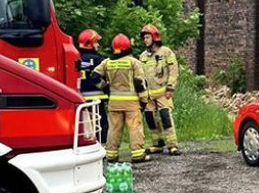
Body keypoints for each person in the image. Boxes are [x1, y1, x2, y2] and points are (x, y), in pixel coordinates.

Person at [93, 34, 150, 163]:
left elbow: (94, 76)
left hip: (114, 103)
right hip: (132, 104)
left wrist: (106, 88)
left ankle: (111, 154)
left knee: (114, 128)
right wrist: (144, 100)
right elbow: (139, 83)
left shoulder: (107, 62)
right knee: (135, 128)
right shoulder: (133, 62)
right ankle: (138, 154)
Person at [139, 24, 181, 156]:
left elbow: (174, 71)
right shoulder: (143, 56)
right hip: (149, 95)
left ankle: (172, 145)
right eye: (144, 38)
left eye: (147, 37)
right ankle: (157, 144)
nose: (145, 40)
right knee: (150, 118)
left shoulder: (166, 52)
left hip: (163, 92)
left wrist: (170, 87)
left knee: (165, 117)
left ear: (154, 37)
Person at [76, 29, 109, 143]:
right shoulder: (97, 60)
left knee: (83, 127)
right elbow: (105, 78)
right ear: (89, 43)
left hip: (79, 101)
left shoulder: (74, 58)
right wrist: (106, 88)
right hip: (96, 101)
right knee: (101, 125)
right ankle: (101, 147)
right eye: (96, 42)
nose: (98, 45)